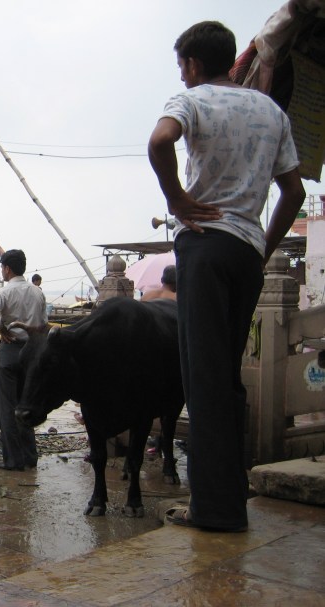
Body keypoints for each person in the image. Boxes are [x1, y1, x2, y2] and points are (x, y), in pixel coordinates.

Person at [148, 21, 306, 532]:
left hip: (205, 245)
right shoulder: (271, 110)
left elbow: (159, 142)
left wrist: (176, 199)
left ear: (193, 64)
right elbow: (294, 194)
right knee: (228, 380)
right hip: (245, 253)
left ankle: (213, 511)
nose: (183, 75)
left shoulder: (191, 102)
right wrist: (264, 247)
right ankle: (228, 498)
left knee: (204, 379)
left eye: (182, 66)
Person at [0, 250, 47, 471]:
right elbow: (43, 324)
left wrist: (2, 327)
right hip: (32, 353)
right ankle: (29, 457)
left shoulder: (4, 292)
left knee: (6, 409)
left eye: (2, 268)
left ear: (7, 268)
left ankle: (13, 460)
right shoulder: (38, 293)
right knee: (26, 404)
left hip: (10, 351)